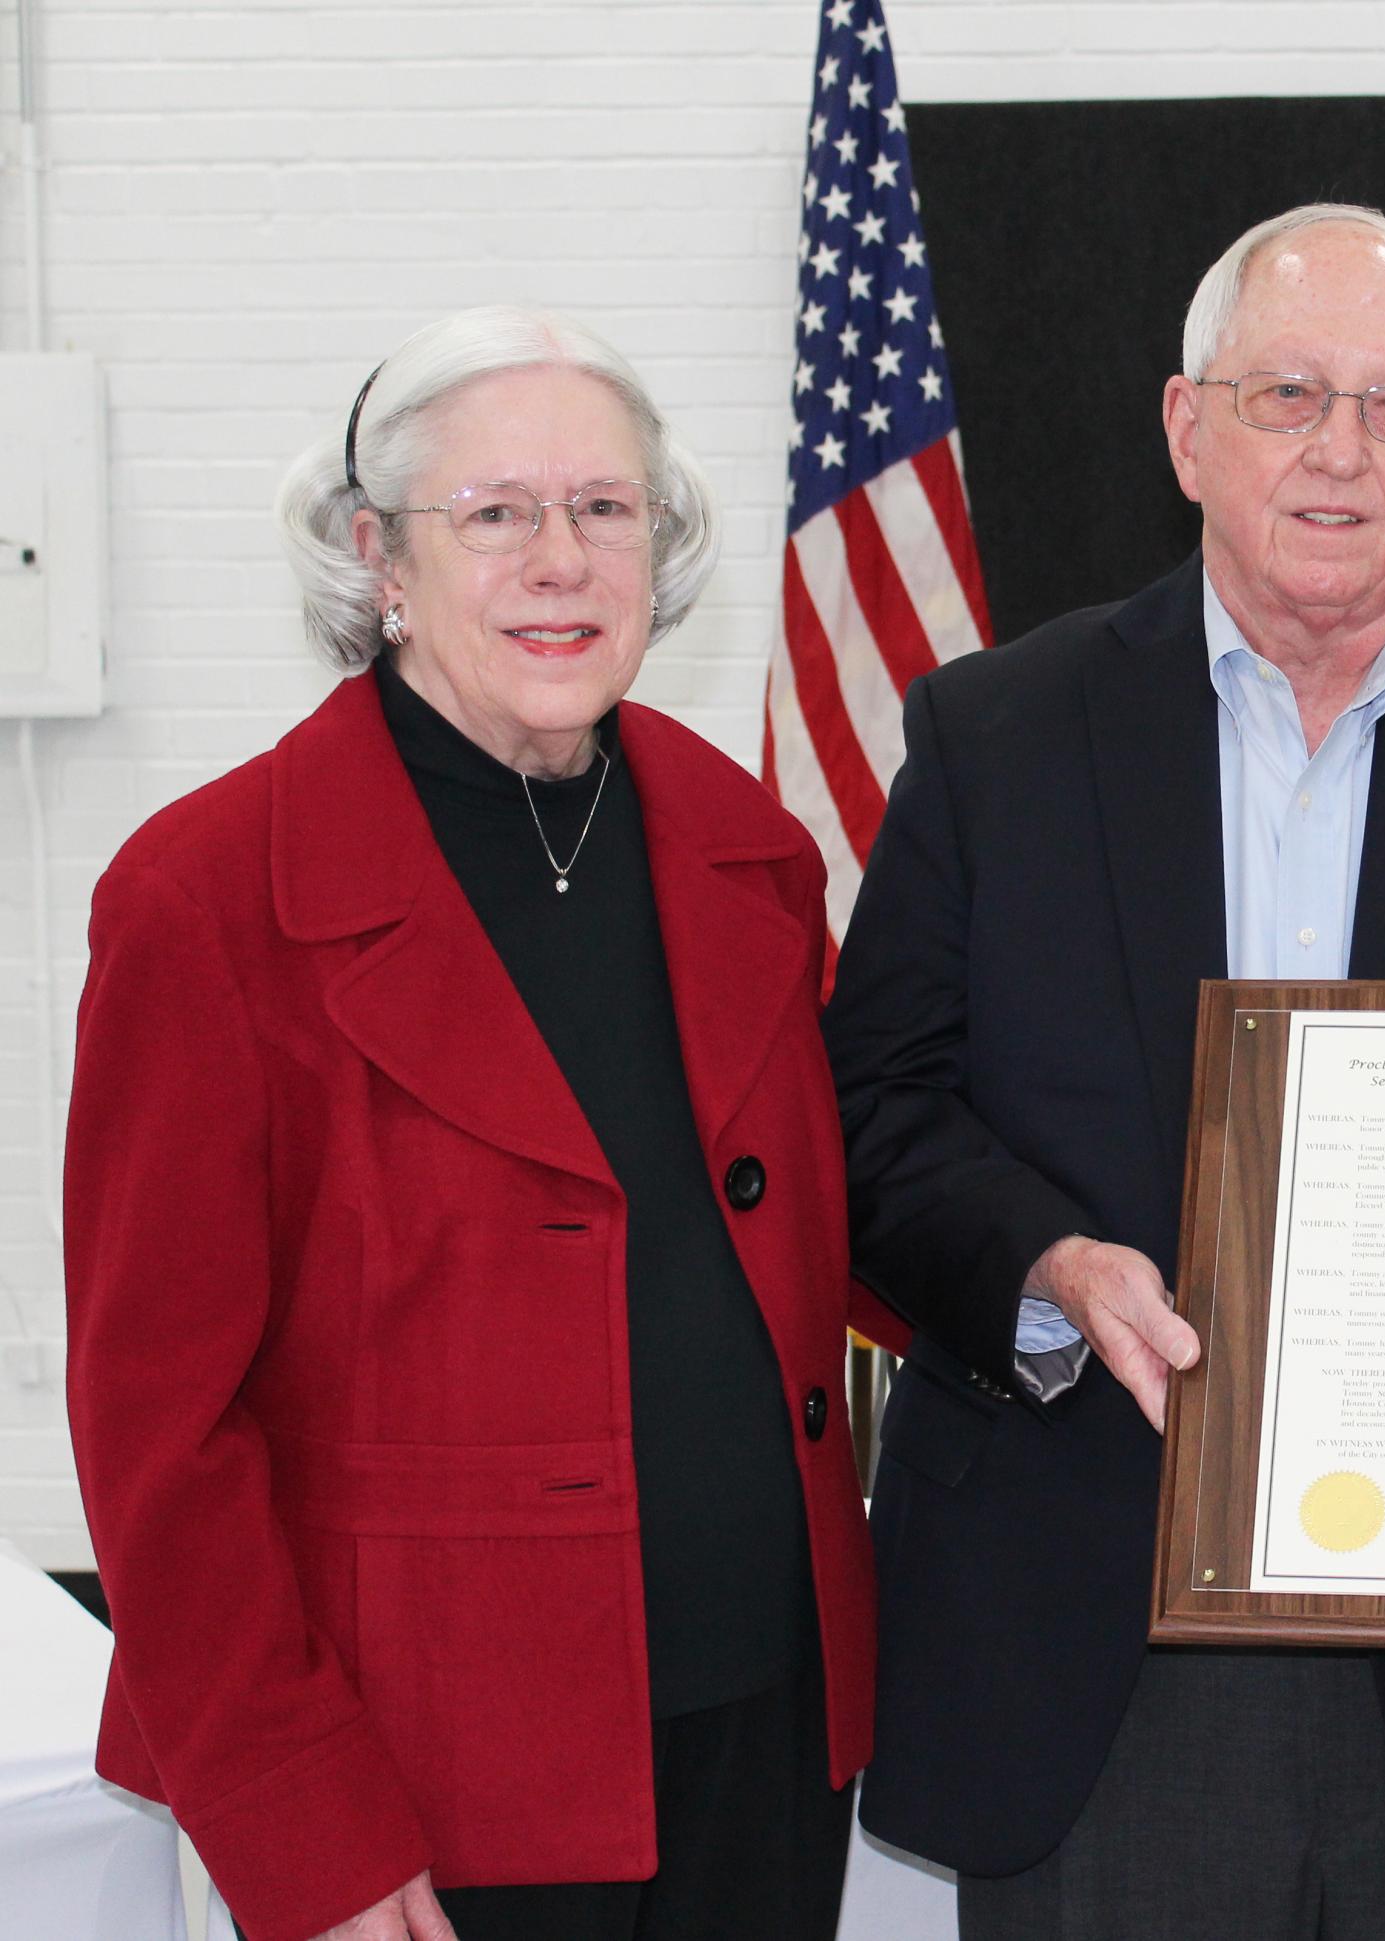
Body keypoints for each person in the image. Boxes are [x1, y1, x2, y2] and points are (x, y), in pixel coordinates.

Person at [824, 204, 1385, 1939]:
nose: (1339, 449)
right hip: (1098, 1652)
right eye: (1288, 392)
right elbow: (874, 1111)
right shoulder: (994, 734)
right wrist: (1045, 1267)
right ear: (1187, 427)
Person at [64, 308, 894, 1941]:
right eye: (496, 513)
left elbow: (843, 1219)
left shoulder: (749, 849)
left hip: (767, 1750)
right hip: (431, 1795)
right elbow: (158, 1440)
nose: (561, 560)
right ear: (379, 554)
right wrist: (303, 1826)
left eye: (606, 510)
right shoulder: (208, 897)